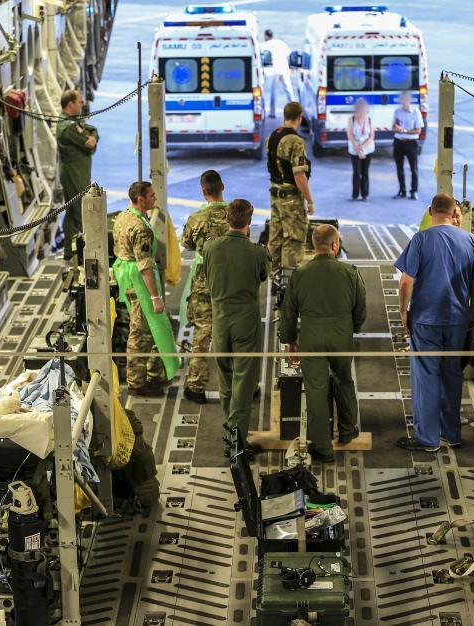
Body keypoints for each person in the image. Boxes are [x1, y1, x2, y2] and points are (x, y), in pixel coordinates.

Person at [395, 194, 474, 452]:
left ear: (430, 211)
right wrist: (473, 312)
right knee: (452, 373)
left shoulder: (421, 239)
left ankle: (428, 438)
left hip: (426, 320)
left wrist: (403, 313)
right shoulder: (470, 241)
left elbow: (406, 282)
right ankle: (452, 433)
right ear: (454, 212)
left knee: (427, 376)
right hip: (457, 319)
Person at [280, 225, 366, 464]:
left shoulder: (300, 273)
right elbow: (361, 309)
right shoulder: (350, 272)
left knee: (316, 390)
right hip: (341, 336)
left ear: (313, 244)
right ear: (335, 245)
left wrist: (290, 341)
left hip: (312, 338)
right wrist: (352, 329)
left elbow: (288, 312)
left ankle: (323, 447)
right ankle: (347, 431)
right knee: (344, 381)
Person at [202, 199, 271, 451]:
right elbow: (264, 275)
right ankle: (237, 442)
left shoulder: (210, 247)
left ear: (227, 218)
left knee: (226, 379)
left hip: (220, 321)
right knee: (244, 382)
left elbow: (207, 274)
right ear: (249, 222)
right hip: (246, 323)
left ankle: (232, 429)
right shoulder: (258, 252)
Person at [112, 181, 180, 396]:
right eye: (151, 195)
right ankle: (137, 383)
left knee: (147, 329)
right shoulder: (140, 228)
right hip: (139, 283)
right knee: (140, 333)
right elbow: (145, 266)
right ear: (141, 199)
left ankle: (153, 373)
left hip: (126, 277)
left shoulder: (122, 217)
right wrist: (155, 297)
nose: (155, 199)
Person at [181, 170, 230, 404]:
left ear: (204, 191)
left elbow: (187, 244)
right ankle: (240, 385)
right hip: (231, 280)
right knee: (234, 333)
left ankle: (196, 386)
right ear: (223, 187)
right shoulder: (235, 213)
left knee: (202, 334)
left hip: (204, 281)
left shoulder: (196, 218)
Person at [267, 101, 314, 276]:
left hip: (275, 194)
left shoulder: (272, 136)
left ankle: (273, 277)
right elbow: (299, 175)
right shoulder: (295, 141)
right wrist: (309, 200)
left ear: (284, 116)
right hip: (291, 198)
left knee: (276, 237)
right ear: (299, 118)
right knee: (294, 239)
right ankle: (289, 281)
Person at [56, 89, 99, 261]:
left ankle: (70, 251)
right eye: (79, 102)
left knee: (73, 213)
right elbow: (87, 145)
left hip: (78, 173)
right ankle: (79, 251)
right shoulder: (67, 127)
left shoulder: (73, 122)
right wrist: (92, 142)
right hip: (73, 174)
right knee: (79, 212)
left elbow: (92, 130)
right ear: (70, 104)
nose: (82, 105)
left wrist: (93, 138)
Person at [391, 91, 423, 200]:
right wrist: (395, 128)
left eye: (406, 99)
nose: (404, 101)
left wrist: (404, 131)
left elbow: (418, 130)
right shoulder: (397, 111)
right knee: (399, 169)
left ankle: (414, 191)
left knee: (413, 169)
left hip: (411, 143)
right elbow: (393, 126)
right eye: (402, 99)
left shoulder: (416, 112)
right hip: (398, 142)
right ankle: (402, 190)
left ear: (409, 100)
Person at [347, 98, 375, 201]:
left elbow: (371, 136)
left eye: (364, 108)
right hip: (354, 149)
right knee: (356, 172)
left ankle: (365, 194)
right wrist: (358, 148)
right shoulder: (352, 119)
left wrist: (363, 147)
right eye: (360, 108)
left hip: (367, 149)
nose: (362, 110)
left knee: (365, 172)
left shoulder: (369, 120)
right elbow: (350, 135)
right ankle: (355, 194)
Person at [263, 29, 294, 119]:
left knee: (274, 92)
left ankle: (272, 112)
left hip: (273, 71)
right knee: (289, 91)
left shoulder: (265, 45)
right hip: (284, 69)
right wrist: (291, 68)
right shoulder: (281, 43)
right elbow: (290, 55)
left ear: (266, 36)